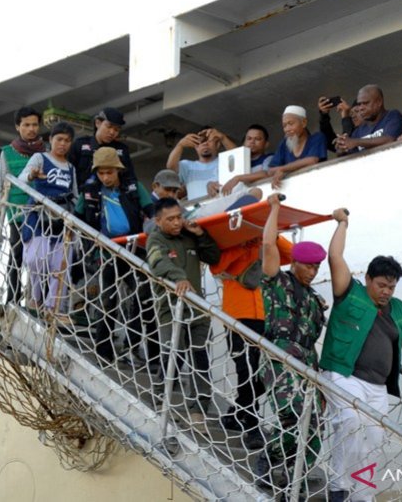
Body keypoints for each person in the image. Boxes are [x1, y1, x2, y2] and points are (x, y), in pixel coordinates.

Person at [320, 209, 402, 502]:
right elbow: (335, 257)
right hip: (343, 374)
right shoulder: (349, 291)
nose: (387, 292)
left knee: (375, 439)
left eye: (391, 287)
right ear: (367, 278)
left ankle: (362, 496)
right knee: (350, 421)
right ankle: (339, 487)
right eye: (382, 285)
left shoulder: (399, 308)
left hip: (378, 386)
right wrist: (343, 223)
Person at [255, 193, 327, 493]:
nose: (312, 272)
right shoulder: (278, 282)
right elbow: (269, 245)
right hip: (279, 355)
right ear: (295, 263)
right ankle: (270, 461)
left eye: (316, 268)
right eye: (308, 266)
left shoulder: (313, 300)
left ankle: (290, 473)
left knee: (314, 425)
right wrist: (274, 209)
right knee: (293, 411)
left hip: (308, 363)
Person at [74, 147, 157, 366]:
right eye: (101, 173)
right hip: (106, 253)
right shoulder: (89, 191)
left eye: (109, 172)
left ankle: (132, 347)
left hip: (133, 250)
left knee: (144, 296)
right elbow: (76, 217)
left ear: (118, 170)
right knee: (108, 302)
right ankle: (104, 352)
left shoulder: (133, 187)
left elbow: (152, 211)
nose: (105, 177)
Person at [209, 234, 293, 444]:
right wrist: (243, 245)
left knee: (263, 373)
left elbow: (291, 255)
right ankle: (252, 424)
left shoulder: (266, 245)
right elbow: (216, 267)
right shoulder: (232, 244)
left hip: (265, 317)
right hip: (238, 316)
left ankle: (236, 413)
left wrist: (270, 237)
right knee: (245, 370)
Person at [146, 198, 221, 432]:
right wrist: (179, 277)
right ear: (158, 221)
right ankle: (159, 398)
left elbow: (214, 257)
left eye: (179, 217)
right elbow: (158, 263)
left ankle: (199, 409)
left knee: (200, 360)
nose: (177, 222)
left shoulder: (189, 236)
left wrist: (201, 235)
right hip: (171, 310)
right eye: (171, 219)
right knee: (172, 356)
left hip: (197, 309)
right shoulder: (155, 239)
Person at [19, 122, 78, 312]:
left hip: (62, 218)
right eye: (59, 139)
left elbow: (75, 195)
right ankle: (35, 298)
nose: (63, 144)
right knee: (36, 258)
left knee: (60, 265)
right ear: (50, 140)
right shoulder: (40, 158)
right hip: (39, 215)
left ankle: (53, 307)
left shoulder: (71, 168)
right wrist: (32, 175)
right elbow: (21, 179)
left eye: (67, 141)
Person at [0, 106, 46, 304]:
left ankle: (37, 301)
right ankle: (12, 299)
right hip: (16, 212)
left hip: (42, 212)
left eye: (34, 124)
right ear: (18, 127)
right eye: (26, 125)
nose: (31, 129)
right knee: (16, 254)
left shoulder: (46, 151)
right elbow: (0, 185)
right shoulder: (7, 152)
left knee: (41, 256)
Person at [68, 107, 137, 187]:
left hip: (113, 197)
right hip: (84, 195)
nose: (112, 132)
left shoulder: (122, 150)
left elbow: (130, 178)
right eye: (109, 126)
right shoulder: (79, 145)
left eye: (116, 130)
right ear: (98, 123)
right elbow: (68, 174)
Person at [262, 105, 328, 189]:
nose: (287, 129)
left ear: (304, 123)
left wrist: (282, 170)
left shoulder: (317, 138)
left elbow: (311, 160)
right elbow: (271, 171)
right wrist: (281, 170)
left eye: (291, 124)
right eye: (284, 126)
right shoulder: (283, 144)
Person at [333, 85, 402, 155]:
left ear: (379, 102)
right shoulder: (359, 131)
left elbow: (390, 140)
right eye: (359, 104)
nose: (361, 108)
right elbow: (345, 151)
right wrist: (341, 147)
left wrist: (355, 142)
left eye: (365, 103)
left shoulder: (392, 116)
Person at [166, 127, 235, 201]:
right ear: (195, 146)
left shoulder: (224, 160)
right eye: (201, 141)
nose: (205, 143)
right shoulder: (187, 165)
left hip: (223, 206)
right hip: (199, 211)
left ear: (217, 144)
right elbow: (170, 167)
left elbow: (239, 157)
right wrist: (180, 145)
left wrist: (222, 137)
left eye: (209, 140)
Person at [219, 124, 274, 195]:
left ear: (266, 144)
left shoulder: (269, 158)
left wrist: (238, 178)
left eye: (257, 139)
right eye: (249, 138)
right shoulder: (238, 162)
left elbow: (266, 173)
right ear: (243, 143)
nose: (252, 142)